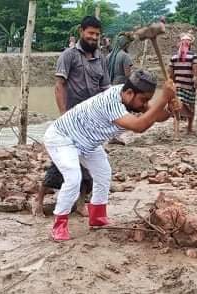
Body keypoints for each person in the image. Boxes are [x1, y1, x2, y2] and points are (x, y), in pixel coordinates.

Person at [44, 70, 177, 241]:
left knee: (103, 173)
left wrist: (169, 110)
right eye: (143, 100)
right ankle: (59, 225)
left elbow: (155, 115)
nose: (145, 104)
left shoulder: (131, 96)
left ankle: (97, 217)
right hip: (62, 137)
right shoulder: (111, 101)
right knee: (73, 178)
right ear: (129, 93)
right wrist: (164, 99)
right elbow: (139, 126)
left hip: (88, 142)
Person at [33, 16, 109, 218]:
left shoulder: (101, 59)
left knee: (90, 165)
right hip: (71, 121)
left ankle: (81, 203)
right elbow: (60, 86)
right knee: (62, 164)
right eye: (90, 33)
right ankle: (39, 200)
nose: (93, 37)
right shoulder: (69, 56)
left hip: (92, 121)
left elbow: (105, 89)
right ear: (81, 32)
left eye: (97, 34)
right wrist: (63, 114)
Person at [168, 33, 197, 135]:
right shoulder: (193, 56)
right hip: (189, 87)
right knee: (191, 108)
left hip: (177, 87)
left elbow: (170, 75)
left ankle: (176, 132)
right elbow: (195, 76)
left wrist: (171, 87)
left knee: (176, 109)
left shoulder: (173, 57)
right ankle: (189, 128)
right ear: (190, 45)